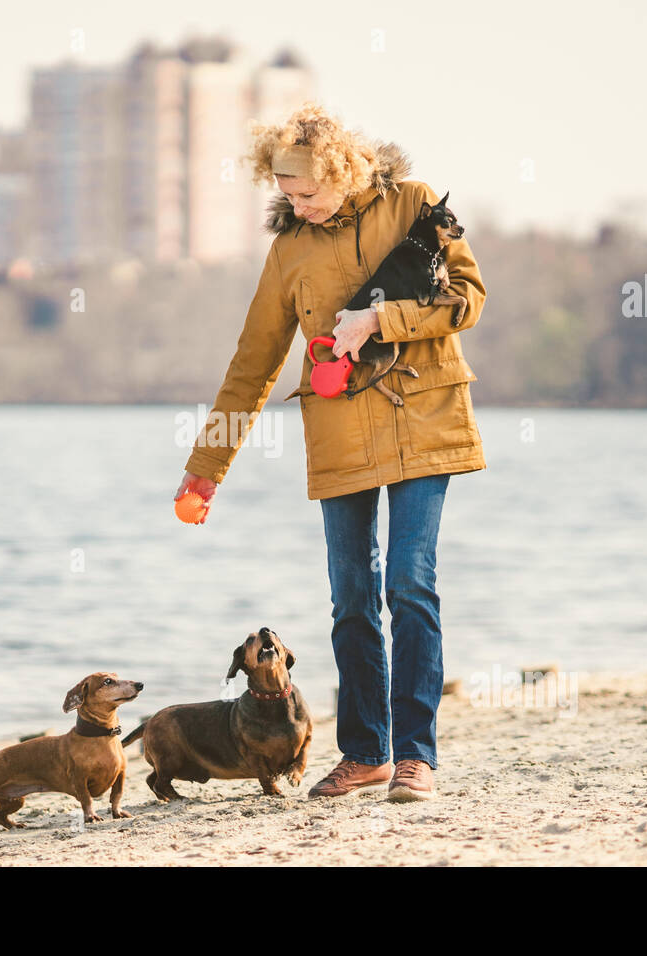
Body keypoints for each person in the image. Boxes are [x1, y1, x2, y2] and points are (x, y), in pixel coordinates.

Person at [173, 103, 487, 802]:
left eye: (308, 192)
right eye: (286, 192)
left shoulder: (411, 206)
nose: (298, 204)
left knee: (409, 582)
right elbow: (251, 366)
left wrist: (381, 317)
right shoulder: (289, 251)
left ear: (342, 170)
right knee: (350, 598)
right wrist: (205, 469)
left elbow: (468, 298)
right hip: (339, 434)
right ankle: (366, 752)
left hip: (425, 421)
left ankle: (415, 758)